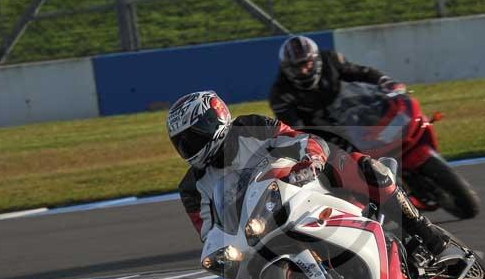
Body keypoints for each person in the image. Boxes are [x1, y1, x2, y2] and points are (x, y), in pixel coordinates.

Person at [169, 90, 446, 258]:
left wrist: (311, 159)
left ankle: (426, 231)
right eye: (182, 143)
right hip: (262, 229)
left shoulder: (250, 126)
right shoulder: (192, 187)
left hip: (304, 184)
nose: (188, 148)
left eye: (193, 138)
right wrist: (221, 252)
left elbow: (297, 139)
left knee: (367, 169)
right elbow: (208, 233)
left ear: (214, 120)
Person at [269, 35, 406, 128]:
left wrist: (385, 81)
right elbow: (295, 129)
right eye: (297, 67)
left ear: (315, 59)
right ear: (286, 68)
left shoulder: (330, 60)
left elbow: (361, 73)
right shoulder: (280, 94)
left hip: (351, 113)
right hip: (321, 133)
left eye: (306, 63)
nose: (303, 70)